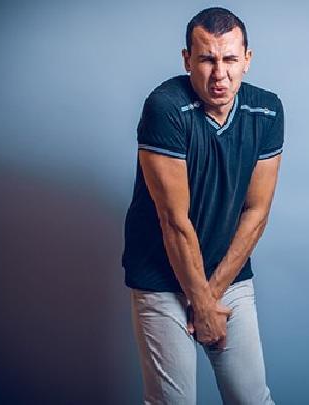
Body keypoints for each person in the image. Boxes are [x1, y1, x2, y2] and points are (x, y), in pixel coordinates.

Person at [121, 7, 282, 404]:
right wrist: (201, 304)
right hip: (161, 277)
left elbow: (256, 212)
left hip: (227, 274)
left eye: (230, 59)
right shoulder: (165, 108)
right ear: (187, 60)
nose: (219, 74)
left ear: (247, 59)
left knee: (252, 399)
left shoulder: (267, 110)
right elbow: (173, 220)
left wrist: (211, 297)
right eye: (207, 59)